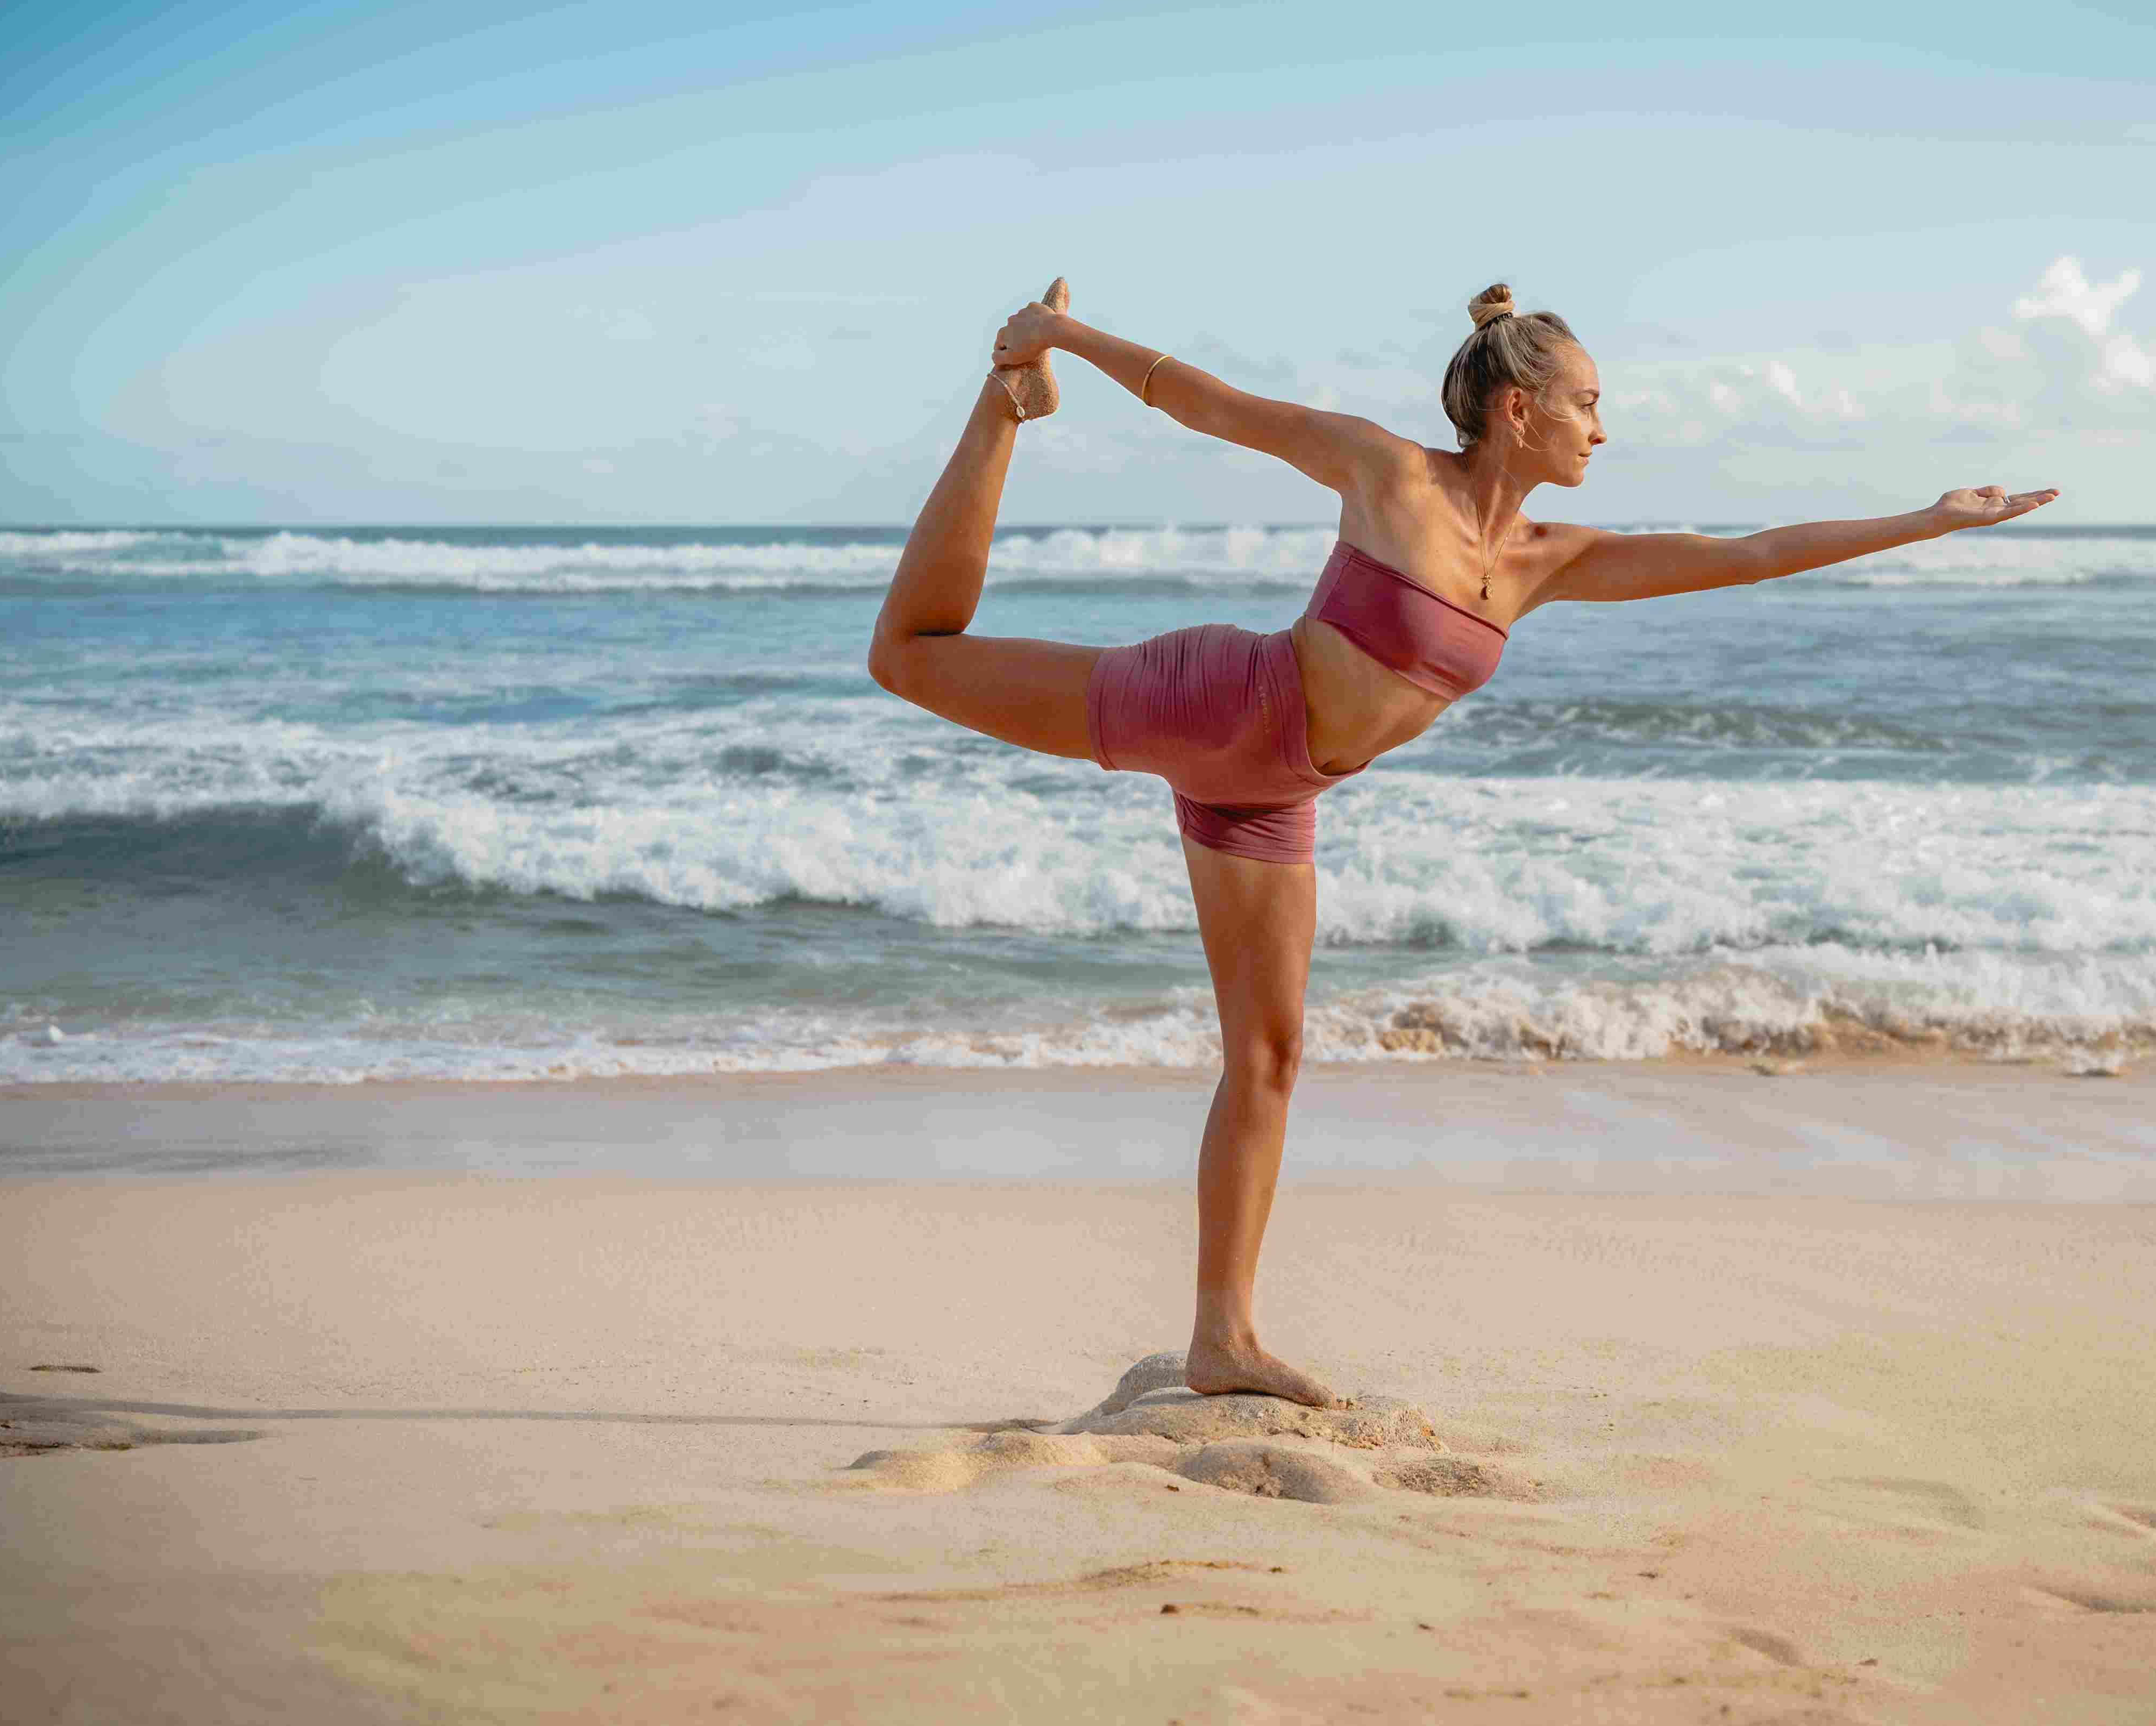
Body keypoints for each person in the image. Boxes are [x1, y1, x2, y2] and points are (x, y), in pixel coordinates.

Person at [868, 278, 2057, 1406]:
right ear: (1520, 408)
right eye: (1589, 403)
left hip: (1276, 791)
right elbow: (1209, 403)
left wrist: (1929, 522)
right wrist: (1060, 340)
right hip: (1225, 703)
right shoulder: (1385, 473)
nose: (1603, 428)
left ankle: (1221, 1337)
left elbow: (1747, 553)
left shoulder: (1551, 562)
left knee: (1271, 1055)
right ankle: (1001, 404)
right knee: (909, 657)